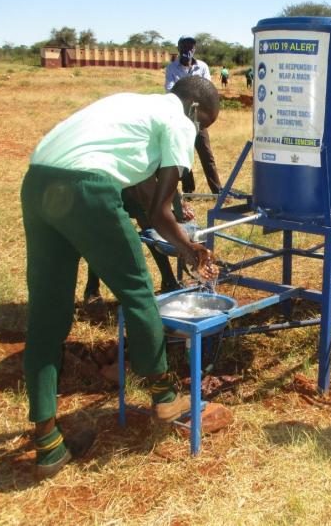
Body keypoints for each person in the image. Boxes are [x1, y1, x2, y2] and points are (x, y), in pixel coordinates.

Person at [21, 76, 224, 479]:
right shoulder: (180, 121)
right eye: (205, 125)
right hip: (86, 188)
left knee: (47, 315)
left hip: (38, 181)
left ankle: (47, 444)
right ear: (196, 111)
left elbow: (149, 204)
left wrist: (186, 248)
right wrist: (192, 248)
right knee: (138, 292)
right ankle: (165, 397)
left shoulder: (132, 105)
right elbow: (160, 213)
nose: (200, 133)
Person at [165, 36, 222, 195]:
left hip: (198, 118)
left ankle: (217, 191)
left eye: (190, 46)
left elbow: (207, 90)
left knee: (206, 155)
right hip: (180, 117)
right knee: (183, 153)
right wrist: (189, 90)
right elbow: (170, 90)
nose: (187, 50)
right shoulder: (172, 68)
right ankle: (188, 190)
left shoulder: (202, 67)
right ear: (178, 48)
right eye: (184, 46)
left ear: (194, 49)